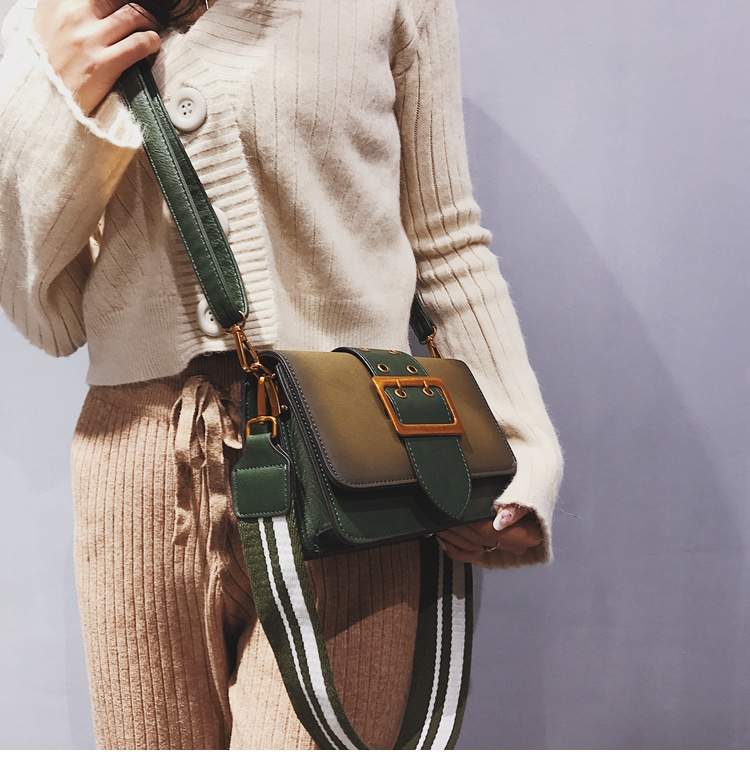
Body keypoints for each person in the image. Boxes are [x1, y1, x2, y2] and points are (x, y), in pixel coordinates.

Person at [0, 0, 565, 749]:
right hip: (134, 470)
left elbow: (444, 237)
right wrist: (57, 102)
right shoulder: (53, 15)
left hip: (349, 464)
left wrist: (519, 446)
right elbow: (48, 313)